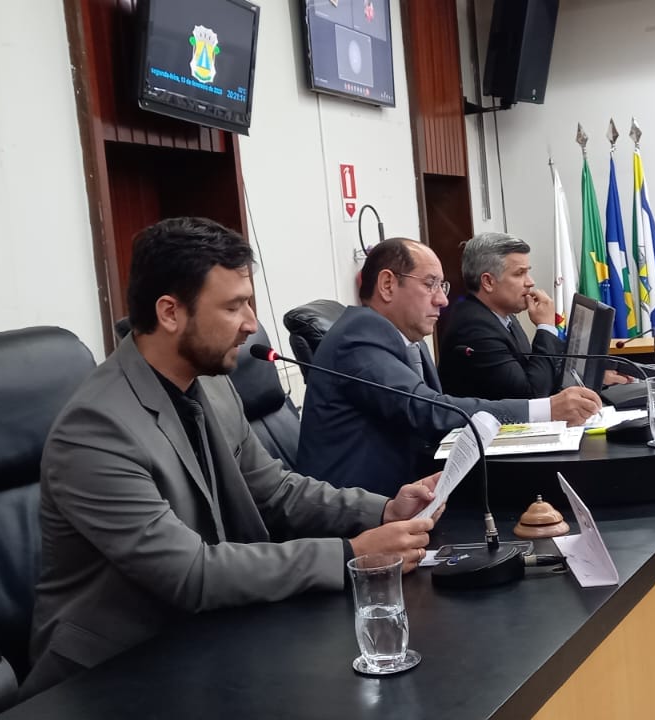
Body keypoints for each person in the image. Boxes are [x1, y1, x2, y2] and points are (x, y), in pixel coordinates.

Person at [23, 218, 446, 697]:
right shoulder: (95, 430)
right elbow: (189, 572)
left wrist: (383, 509)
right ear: (169, 312)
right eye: (233, 306)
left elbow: (275, 490)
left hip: (215, 633)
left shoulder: (212, 384)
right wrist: (351, 554)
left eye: (249, 303)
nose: (250, 323)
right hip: (113, 673)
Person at [296, 238, 601, 496]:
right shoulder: (358, 339)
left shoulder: (405, 338)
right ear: (388, 285)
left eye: (442, 286)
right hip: (363, 512)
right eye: (430, 285)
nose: (442, 300)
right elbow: (430, 409)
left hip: (412, 489)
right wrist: (546, 409)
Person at [436, 232, 628, 400]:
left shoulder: (503, 315)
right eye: (519, 274)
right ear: (488, 282)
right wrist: (546, 327)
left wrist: (594, 378)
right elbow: (532, 394)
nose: (530, 282)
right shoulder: (474, 327)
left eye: (528, 272)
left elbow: (533, 372)